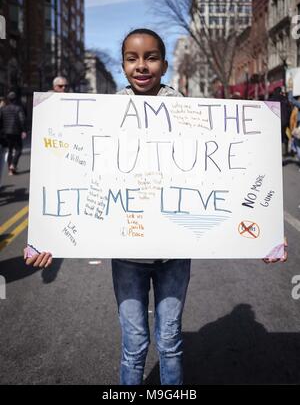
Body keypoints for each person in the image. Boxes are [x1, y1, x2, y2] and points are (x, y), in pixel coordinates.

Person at [24, 28, 288, 384]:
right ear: (122, 65)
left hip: (174, 256)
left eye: (150, 57)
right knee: (134, 344)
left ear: (164, 65)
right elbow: (78, 177)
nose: (141, 66)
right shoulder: (103, 114)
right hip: (127, 258)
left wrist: (262, 234)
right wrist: (47, 238)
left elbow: (224, 176)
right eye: (132, 59)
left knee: (169, 340)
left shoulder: (191, 113)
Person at [0, 91, 27, 175]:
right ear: (16, 99)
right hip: (16, 132)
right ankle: (13, 164)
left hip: (6, 133)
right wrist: (23, 130)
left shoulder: (3, 109)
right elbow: (22, 120)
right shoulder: (18, 108)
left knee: (10, 150)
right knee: (19, 149)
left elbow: (0, 121)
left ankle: (10, 169)